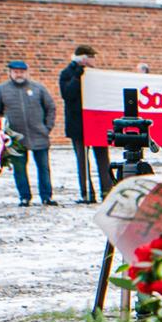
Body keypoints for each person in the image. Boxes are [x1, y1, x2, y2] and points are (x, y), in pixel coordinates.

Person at [0, 59, 58, 207]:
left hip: (39, 135)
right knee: (19, 169)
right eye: (15, 72)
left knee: (43, 167)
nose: (18, 74)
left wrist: (47, 127)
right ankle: (24, 196)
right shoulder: (2, 90)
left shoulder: (38, 88)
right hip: (15, 138)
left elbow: (50, 107)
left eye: (21, 72)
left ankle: (46, 196)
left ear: (27, 72)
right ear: (10, 73)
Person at [58, 45, 106, 203]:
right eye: (91, 57)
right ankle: (87, 193)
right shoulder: (67, 74)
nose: (94, 60)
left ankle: (106, 190)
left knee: (103, 160)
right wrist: (78, 76)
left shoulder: (96, 74)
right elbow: (68, 94)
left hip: (97, 123)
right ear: (83, 58)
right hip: (78, 124)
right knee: (82, 160)